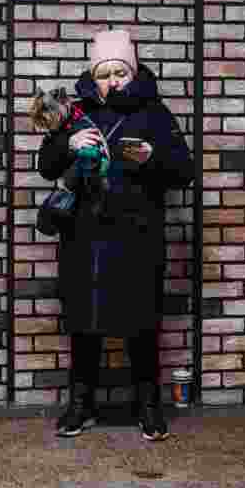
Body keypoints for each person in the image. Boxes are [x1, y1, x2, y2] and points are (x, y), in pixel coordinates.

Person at [37, 29, 194, 441]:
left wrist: (149, 157)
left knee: (141, 323)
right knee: (84, 324)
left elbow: (184, 172)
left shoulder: (154, 112)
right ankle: (80, 404)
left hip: (137, 235)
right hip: (83, 234)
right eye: (104, 73)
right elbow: (46, 166)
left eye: (119, 72)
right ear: (94, 74)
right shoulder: (75, 112)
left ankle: (148, 406)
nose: (112, 81)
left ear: (132, 71)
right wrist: (69, 144)